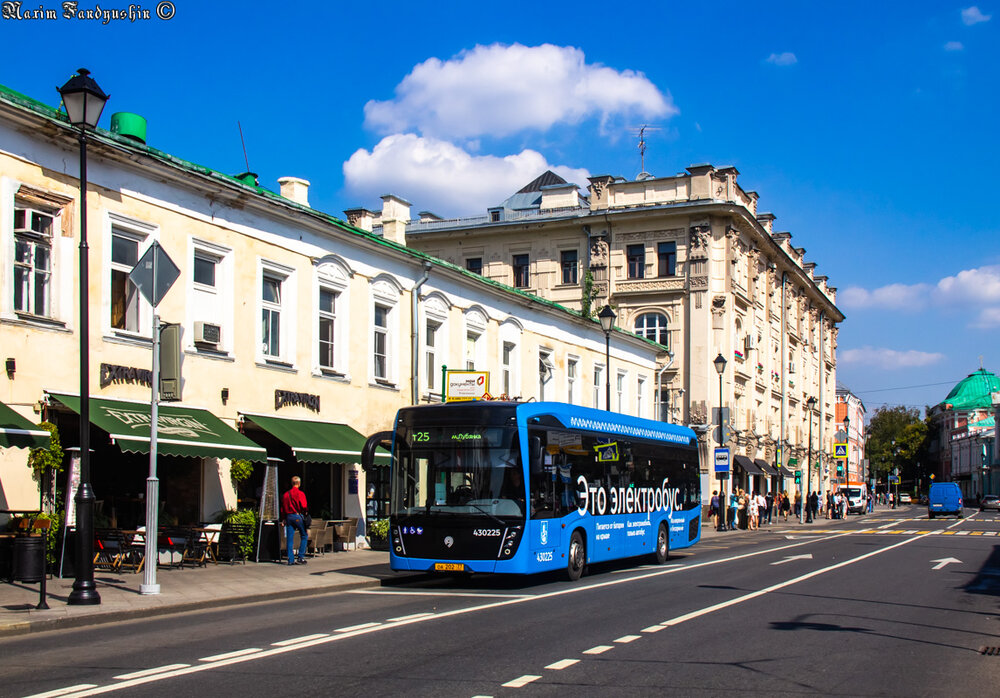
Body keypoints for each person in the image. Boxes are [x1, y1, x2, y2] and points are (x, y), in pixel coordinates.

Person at [281, 475, 309, 565]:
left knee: (290, 538)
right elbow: (304, 506)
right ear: (299, 483)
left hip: (288, 517)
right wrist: (305, 513)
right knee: (304, 535)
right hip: (297, 516)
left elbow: (283, 508)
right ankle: (300, 556)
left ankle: (291, 559)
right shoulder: (300, 494)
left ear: (291, 483)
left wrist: (283, 518)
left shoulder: (286, 494)